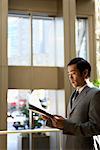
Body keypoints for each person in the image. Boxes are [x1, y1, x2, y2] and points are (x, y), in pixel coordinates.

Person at [43, 57, 100, 150]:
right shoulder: (74, 94)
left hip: (86, 147)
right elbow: (74, 122)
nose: (70, 78)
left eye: (73, 73)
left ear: (85, 73)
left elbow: (96, 127)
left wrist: (65, 125)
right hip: (70, 145)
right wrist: (53, 120)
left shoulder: (95, 94)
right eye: (69, 74)